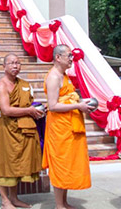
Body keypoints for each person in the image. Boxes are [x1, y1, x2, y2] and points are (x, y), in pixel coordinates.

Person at [42, 45, 95, 209]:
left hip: (68, 126)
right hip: (59, 128)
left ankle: (64, 201)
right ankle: (59, 205)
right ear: (58, 57)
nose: (72, 59)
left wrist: (81, 102)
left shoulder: (63, 76)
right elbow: (52, 106)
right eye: (69, 56)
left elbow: (67, 98)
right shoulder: (53, 77)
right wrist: (78, 106)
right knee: (61, 164)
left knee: (68, 163)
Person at [0, 53, 44, 209]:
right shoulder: (1, 85)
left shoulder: (24, 84)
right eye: (11, 63)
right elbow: (6, 110)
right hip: (7, 130)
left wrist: (38, 110)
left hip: (23, 129)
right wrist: (29, 110)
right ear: (4, 66)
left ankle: (14, 198)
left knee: (16, 165)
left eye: (18, 63)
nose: (15, 66)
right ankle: (5, 200)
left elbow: (29, 103)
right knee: (5, 164)